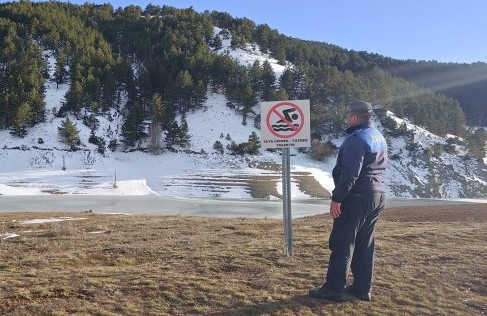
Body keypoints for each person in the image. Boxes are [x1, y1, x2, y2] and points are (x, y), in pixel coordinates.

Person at [309, 100, 388, 302]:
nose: (347, 119)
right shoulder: (378, 137)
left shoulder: (356, 139)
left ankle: (334, 289)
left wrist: (338, 198)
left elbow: (350, 173)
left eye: (348, 116)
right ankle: (362, 288)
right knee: (364, 243)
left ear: (354, 117)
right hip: (377, 195)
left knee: (341, 243)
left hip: (357, 196)